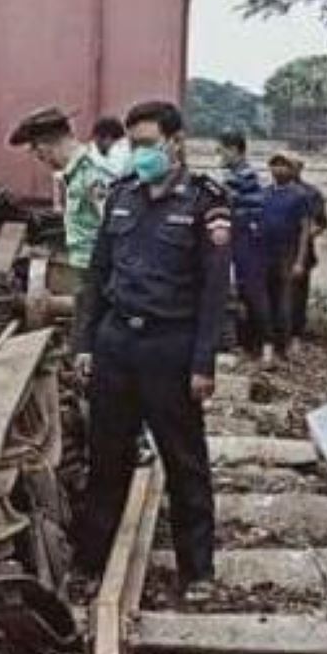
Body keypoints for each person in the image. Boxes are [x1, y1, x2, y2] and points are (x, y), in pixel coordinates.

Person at [72, 100, 230, 600]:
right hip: (117, 343)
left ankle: (198, 571)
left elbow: (214, 293)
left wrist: (204, 362)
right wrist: (84, 344)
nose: (139, 153)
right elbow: (96, 278)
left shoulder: (205, 203)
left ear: (176, 142)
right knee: (106, 458)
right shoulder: (122, 196)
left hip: (171, 347)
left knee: (184, 461)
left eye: (147, 144)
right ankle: (90, 562)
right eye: (132, 144)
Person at [7, 106, 111, 305]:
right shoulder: (76, 175)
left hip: (99, 275)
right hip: (89, 273)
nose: (43, 162)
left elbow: (113, 227)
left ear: (43, 148)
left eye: (39, 155)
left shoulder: (92, 173)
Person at [218, 132, 276, 364]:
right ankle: (247, 344)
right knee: (237, 291)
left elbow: (227, 198)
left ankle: (266, 346)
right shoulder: (234, 175)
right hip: (238, 237)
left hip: (248, 239)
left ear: (235, 150)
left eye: (222, 150)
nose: (219, 155)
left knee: (254, 292)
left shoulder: (244, 175)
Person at [259, 152, 320, 354]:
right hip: (266, 252)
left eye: (283, 165)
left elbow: (306, 229)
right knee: (267, 297)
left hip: (289, 252)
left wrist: (300, 260)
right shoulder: (265, 193)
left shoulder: (302, 195)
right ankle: (267, 342)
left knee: (289, 300)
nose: (278, 169)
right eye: (274, 165)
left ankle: (286, 342)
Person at [93, 114, 132, 182]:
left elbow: (116, 171)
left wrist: (94, 157)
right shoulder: (124, 146)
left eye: (98, 142)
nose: (97, 146)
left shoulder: (119, 149)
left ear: (108, 138)